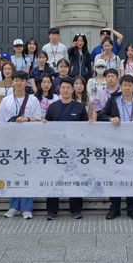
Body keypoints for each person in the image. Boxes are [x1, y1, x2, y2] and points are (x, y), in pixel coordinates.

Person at [99, 75, 133, 220]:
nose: (127, 88)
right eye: (124, 85)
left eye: (129, 85)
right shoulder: (113, 100)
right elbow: (102, 115)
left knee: (132, 176)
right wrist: (110, 119)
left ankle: (132, 208)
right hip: (116, 144)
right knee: (115, 175)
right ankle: (115, 207)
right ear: (121, 86)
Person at [0, 71, 42, 220]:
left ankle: (26, 208)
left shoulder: (33, 100)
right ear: (13, 82)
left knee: (27, 174)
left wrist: (27, 119)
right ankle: (13, 206)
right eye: (16, 80)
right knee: (12, 174)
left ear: (26, 82)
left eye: (22, 80)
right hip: (11, 142)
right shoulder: (6, 101)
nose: (18, 83)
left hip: (28, 142)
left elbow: (39, 119)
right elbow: (0, 122)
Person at [44, 77, 88, 220]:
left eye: (68, 87)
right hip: (56, 150)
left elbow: (85, 129)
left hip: (74, 150)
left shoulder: (80, 107)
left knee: (75, 178)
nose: (65, 90)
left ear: (72, 89)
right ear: (59, 89)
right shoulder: (52, 107)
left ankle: (76, 210)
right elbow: (47, 126)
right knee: (53, 179)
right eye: (63, 87)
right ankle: (52, 211)